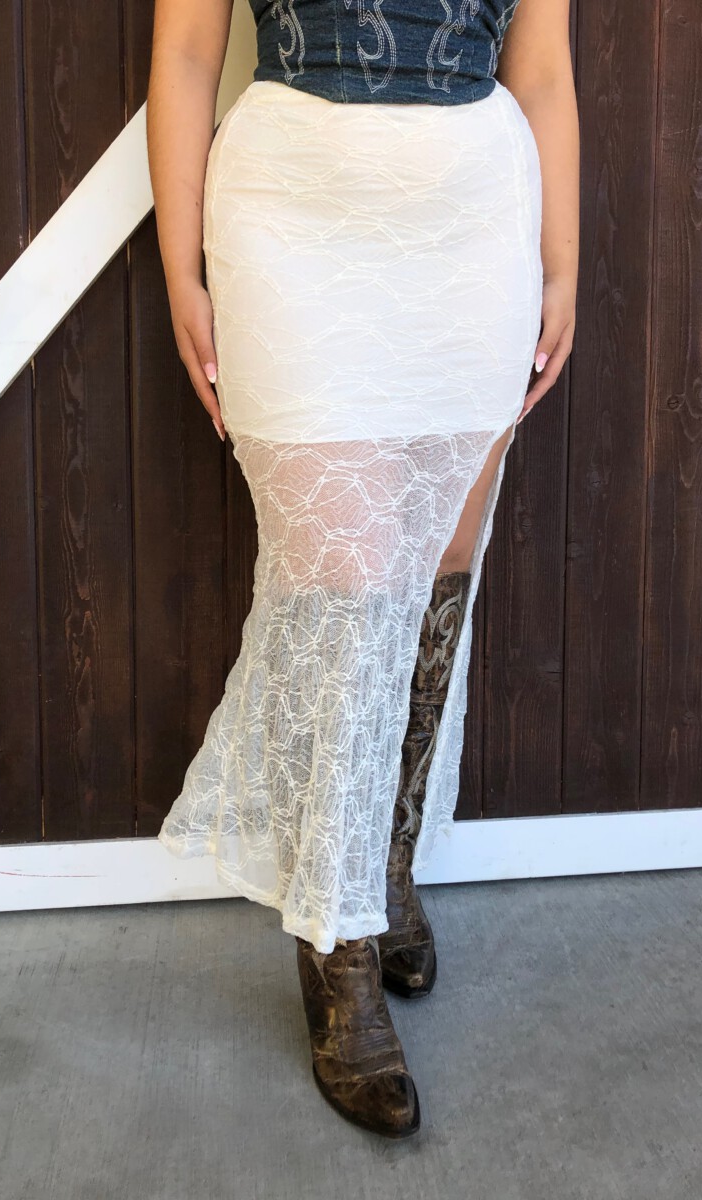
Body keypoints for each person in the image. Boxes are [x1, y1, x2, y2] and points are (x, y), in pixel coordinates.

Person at [147, 0, 578, 1139]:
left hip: (473, 222)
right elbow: (186, 50)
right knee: (341, 572)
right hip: (293, 209)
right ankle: (334, 941)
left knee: (443, 560)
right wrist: (181, 268)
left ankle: (383, 868)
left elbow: (541, 68)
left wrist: (561, 260)